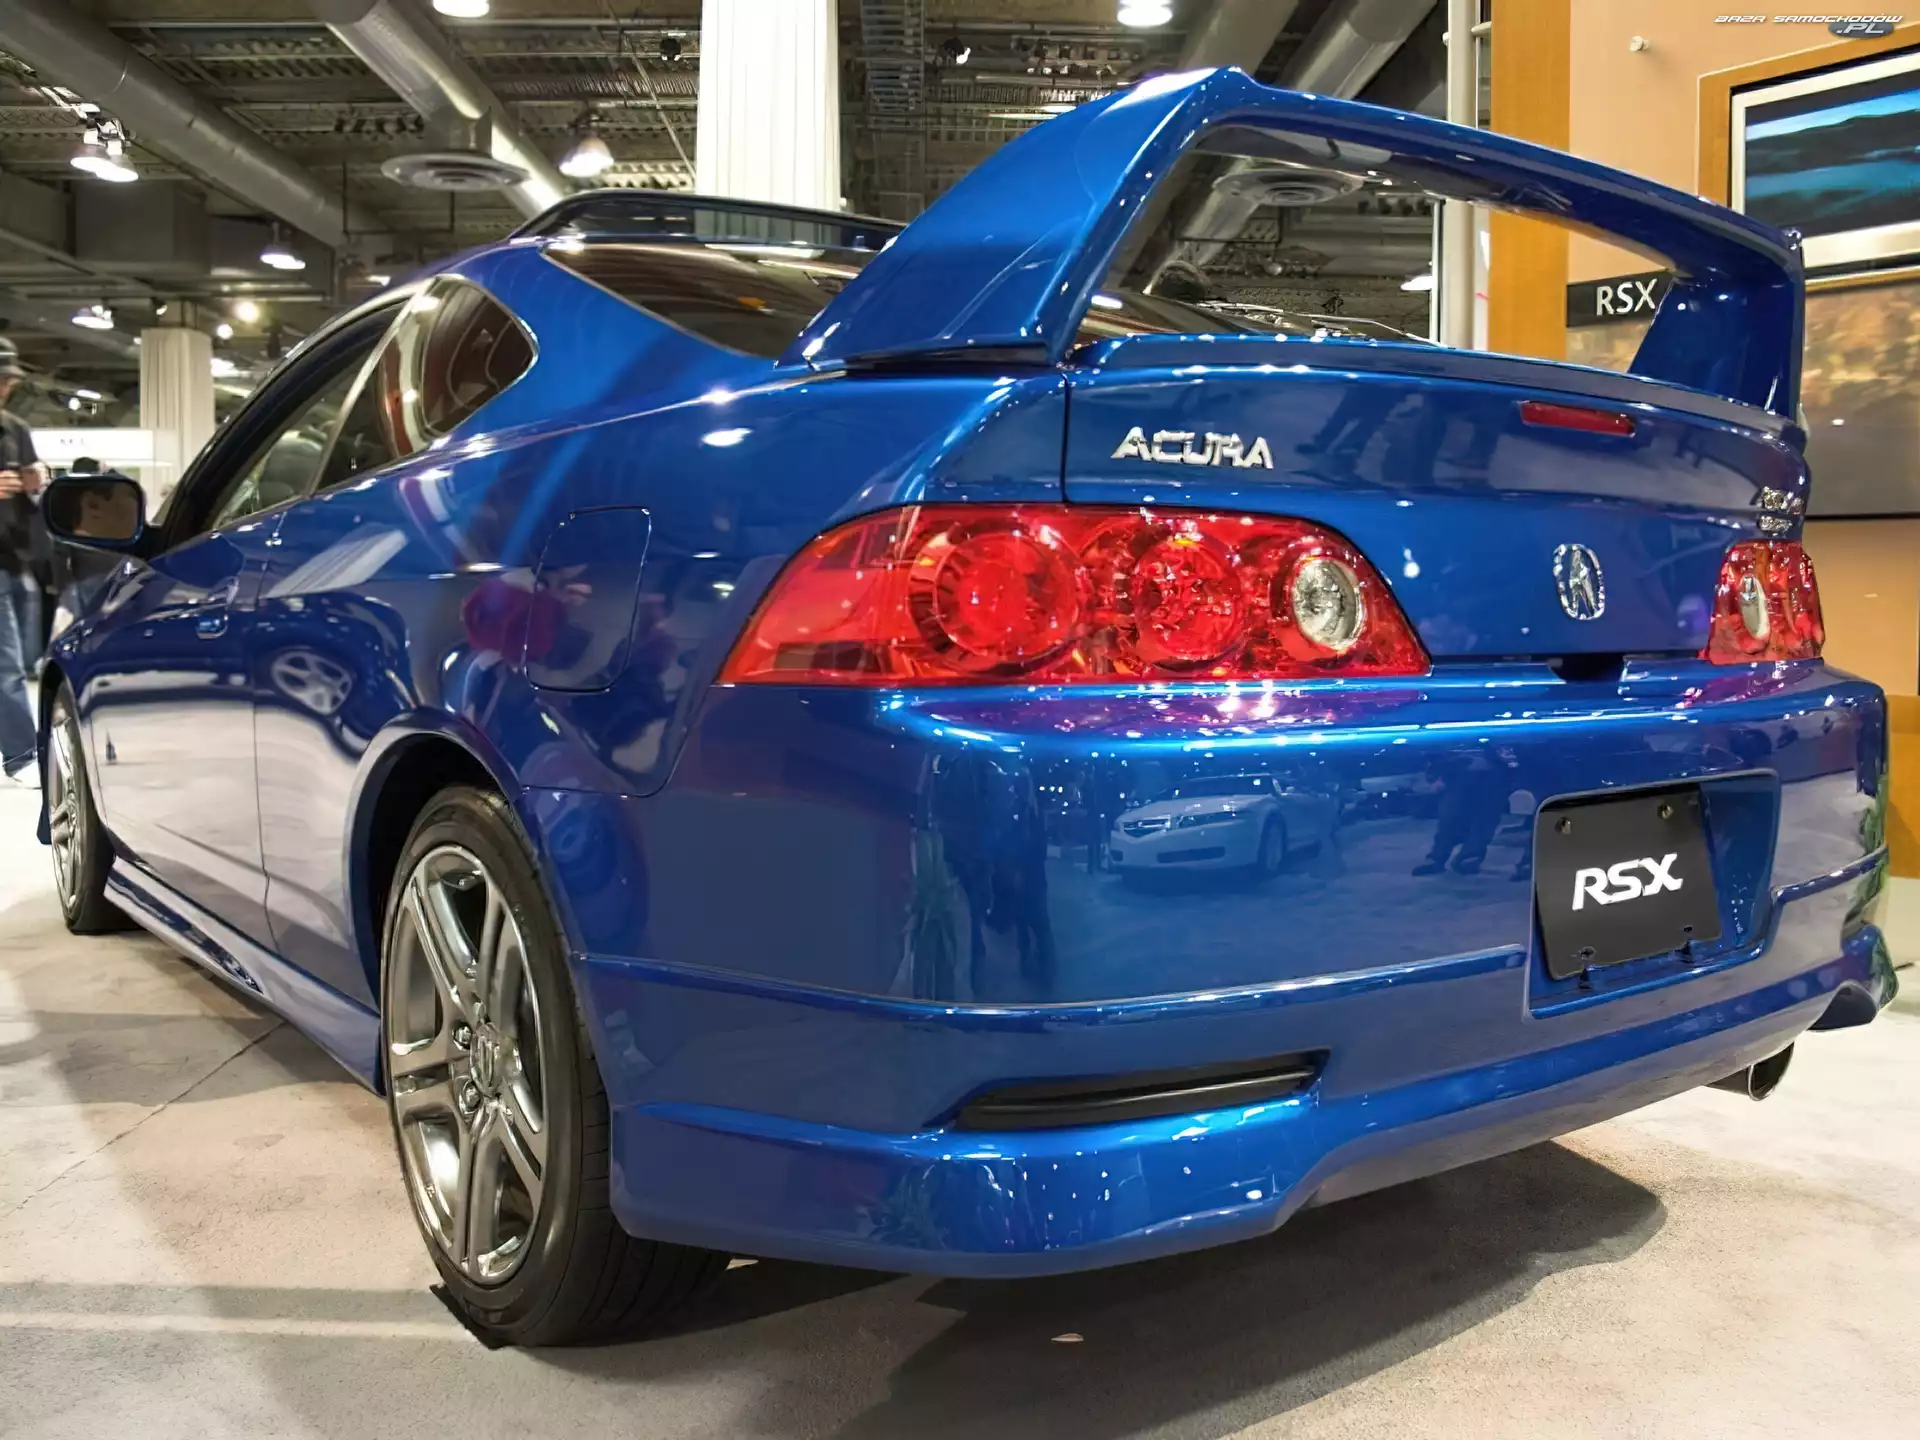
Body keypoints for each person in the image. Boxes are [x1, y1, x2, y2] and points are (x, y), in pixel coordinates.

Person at [0, 337, 49, 788]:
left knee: (25, 657)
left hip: (16, 559)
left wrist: (37, 481)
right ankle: (20, 755)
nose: (6, 387)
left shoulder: (15, 428)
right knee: (8, 663)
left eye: (9, 380)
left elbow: (34, 482)